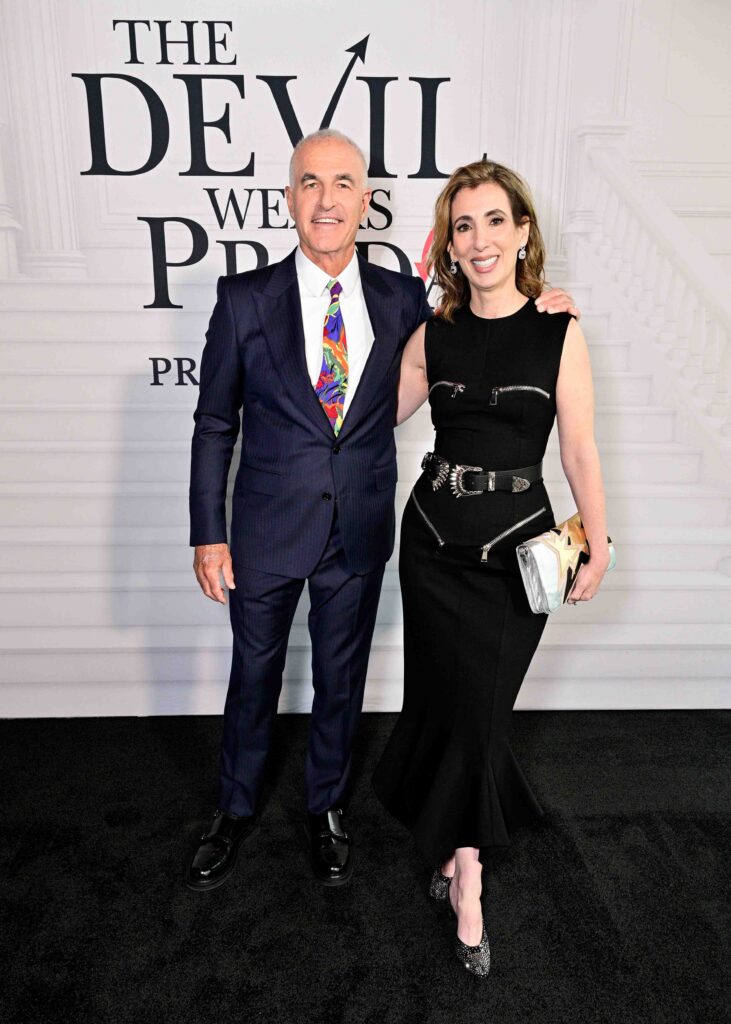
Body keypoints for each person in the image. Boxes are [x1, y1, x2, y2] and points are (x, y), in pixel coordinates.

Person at [186, 132, 578, 892]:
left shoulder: (403, 300)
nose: (326, 199)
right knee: (252, 677)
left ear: (365, 201)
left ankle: (325, 806)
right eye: (309, 183)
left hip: (359, 528)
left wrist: (545, 308)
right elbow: (214, 425)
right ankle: (232, 811)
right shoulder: (243, 299)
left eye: (342, 184)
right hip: (265, 528)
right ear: (289, 199)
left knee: (341, 678)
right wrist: (208, 531)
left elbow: (482, 331)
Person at [372, 160, 610, 976]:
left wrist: (600, 540)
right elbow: (366, 408)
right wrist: (403, 303)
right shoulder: (431, 332)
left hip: (518, 554)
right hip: (433, 542)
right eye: (463, 225)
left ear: (522, 232)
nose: (480, 240)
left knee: (481, 709)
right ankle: (466, 869)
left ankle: (455, 853)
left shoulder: (557, 329)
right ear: (449, 241)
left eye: (494, 221)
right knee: (445, 703)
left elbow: (576, 445)